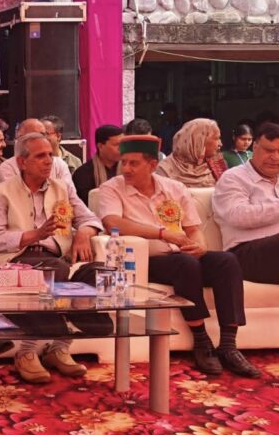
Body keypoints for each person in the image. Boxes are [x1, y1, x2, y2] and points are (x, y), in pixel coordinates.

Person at [99, 135, 260, 377]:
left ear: (152, 165)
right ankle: (201, 340)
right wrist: (162, 233)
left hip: (183, 256)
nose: (126, 169)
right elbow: (113, 222)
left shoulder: (174, 188)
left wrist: (200, 247)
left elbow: (193, 229)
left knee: (226, 261)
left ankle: (228, 344)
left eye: (134, 163)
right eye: (124, 162)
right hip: (147, 261)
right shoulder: (112, 188)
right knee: (184, 263)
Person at [0, 132, 106, 384]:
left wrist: (84, 233)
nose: (49, 160)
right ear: (22, 162)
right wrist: (34, 235)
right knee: (54, 271)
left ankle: (59, 348)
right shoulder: (0, 192)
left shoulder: (63, 188)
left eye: (50, 154)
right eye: (40, 156)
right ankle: (27, 352)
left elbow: (90, 218)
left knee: (97, 272)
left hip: (58, 260)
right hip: (18, 260)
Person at [212, 122, 279, 284]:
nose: (276, 157)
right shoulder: (233, 177)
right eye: (269, 150)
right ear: (254, 147)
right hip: (244, 254)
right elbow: (239, 216)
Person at [0, 118, 73, 185]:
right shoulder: (8, 167)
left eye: (44, 135)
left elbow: (69, 195)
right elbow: (15, 196)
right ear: (20, 139)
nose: (43, 139)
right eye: (36, 136)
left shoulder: (59, 164)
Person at [156, 118, 226, 187]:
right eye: (217, 138)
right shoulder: (164, 170)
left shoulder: (217, 166)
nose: (220, 144)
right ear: (198, 141)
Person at [71, 124, 124, 205]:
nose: (121, 148)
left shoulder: (128, 169)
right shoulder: (83, 174)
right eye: (116, 145)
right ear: (100, 146)